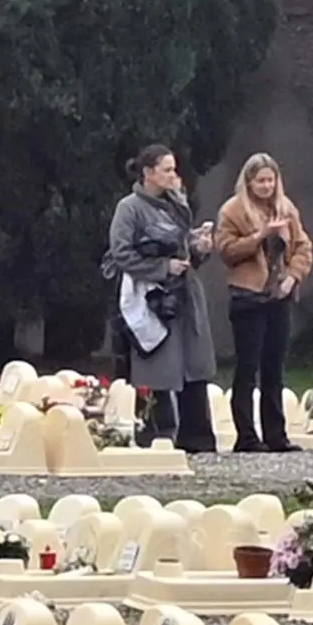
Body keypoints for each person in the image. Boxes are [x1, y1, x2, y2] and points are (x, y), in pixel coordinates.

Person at [101, 143, 219, 453]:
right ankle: (156, 435)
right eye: (167, 169)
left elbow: (181, 249)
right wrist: (161, 267)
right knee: (157, 365)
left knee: (193, 364)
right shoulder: (129, 208)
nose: (173, 175)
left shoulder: (177, 204)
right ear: (148, 173)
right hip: (150, 298)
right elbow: (121, 253)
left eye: (174, 169)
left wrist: (198, 247)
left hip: (184, 295)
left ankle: (197, 437)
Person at [216, 152, 313, 454]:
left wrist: (293, 277)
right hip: (248, 297)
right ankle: (246, 436)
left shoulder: (286, 209)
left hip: (277, 296)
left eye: (270, 180)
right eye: (260, 181)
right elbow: (227, 251)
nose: (266, 186)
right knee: (248, 367)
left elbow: (303, 247)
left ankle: (276, 434)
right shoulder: (232, 211)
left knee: (275, 368)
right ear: (248, 182)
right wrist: (261, 235)